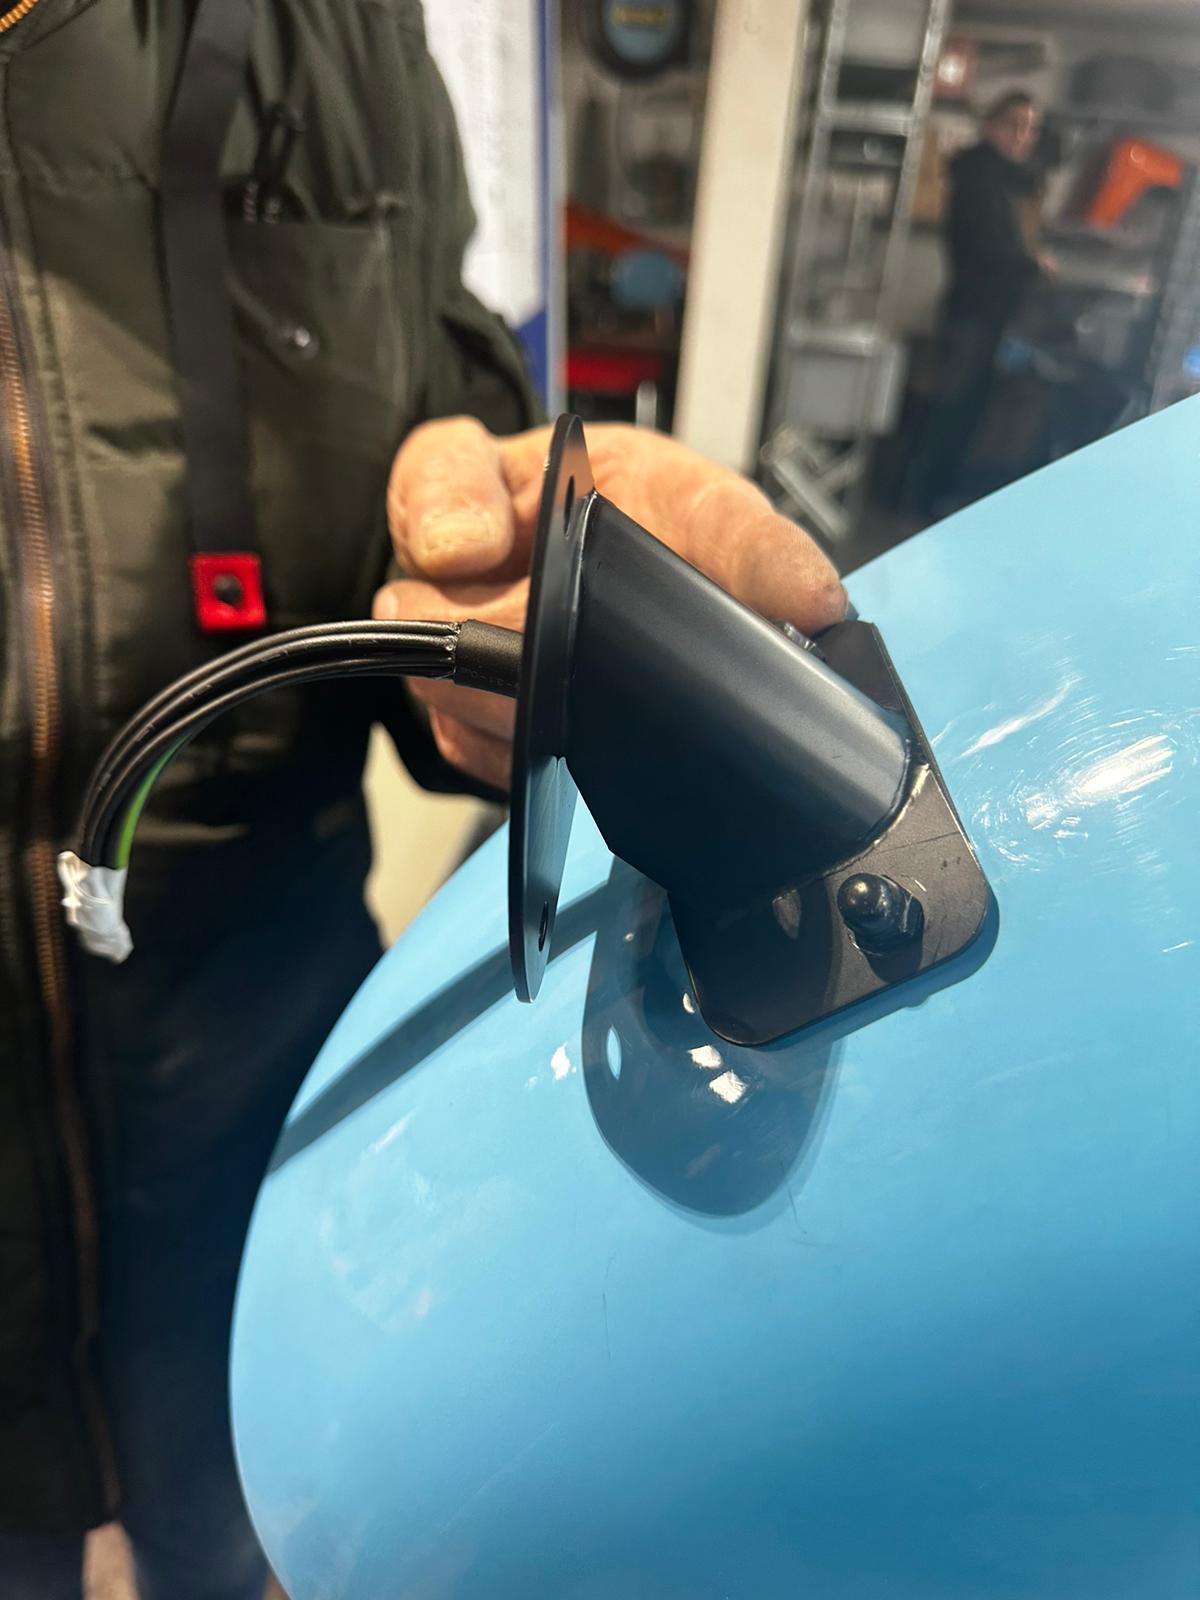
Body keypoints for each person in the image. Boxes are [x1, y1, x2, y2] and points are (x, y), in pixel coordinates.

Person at [0, 4, 843, 1598]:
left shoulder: (339, 39)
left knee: (252, 1528)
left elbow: (422, 474)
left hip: (266, 1119)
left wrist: (493, 593)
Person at [903, 89, 1049, 515]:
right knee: (953, 406)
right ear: (991, 126)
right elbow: (989, 245)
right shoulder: (981, 175)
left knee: (960, 404)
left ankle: (925, 498)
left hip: (983, 310)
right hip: (975, 310)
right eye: (1013, 125)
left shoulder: (1000, 176)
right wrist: (1032, 263)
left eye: (1031, 129)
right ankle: (922, 501)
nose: (1022, 137)